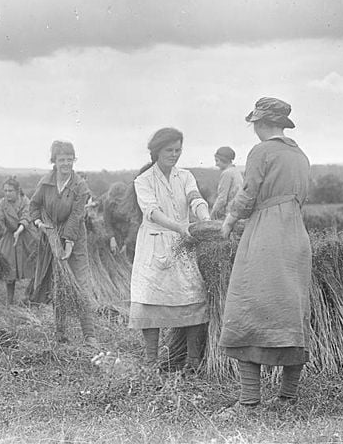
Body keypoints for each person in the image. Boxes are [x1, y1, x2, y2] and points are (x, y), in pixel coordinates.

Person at [219, 97, 312, 411]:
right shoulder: (299, 154)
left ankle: (248, 403)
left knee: (249, 306)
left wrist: (229, 221)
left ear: (260, 124)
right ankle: (288, 398)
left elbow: (249, 193)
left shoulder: (261, 151)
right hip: (296, 235)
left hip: (266, 233)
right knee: (290, 311)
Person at [129, 127, 211, 368]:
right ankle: (151, 362)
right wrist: (178, 226)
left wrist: (204, 218)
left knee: (193, 298)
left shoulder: (184, 176)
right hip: (154, 244)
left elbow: (195, 198)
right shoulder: (143, 181)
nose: (174, 155)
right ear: (156, 151)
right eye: (169, 150)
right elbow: (152, 212)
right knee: (150, 300)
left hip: (183, 244)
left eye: (178, 150)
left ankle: (193, 361)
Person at [27, 140, 97, 345]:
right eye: (61, 160)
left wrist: (68, 243)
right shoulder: (46, 182)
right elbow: (34, 206)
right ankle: (60, 333)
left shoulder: (80, 186)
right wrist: (39, 223)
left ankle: (89, 335)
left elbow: (76, 216)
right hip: (51, 238)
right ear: (54, 161)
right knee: (58, 283)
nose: (66, 164)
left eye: (69, 159)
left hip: (75, 239)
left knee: (81, 285)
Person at [0, 177, 38, 305]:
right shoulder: (2, 203)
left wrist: (19, 230)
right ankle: (9, 302)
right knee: (9, 268)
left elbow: (26, 218)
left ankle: (30, 297)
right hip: (10, 236)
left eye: (10, 190)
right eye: (5, 190)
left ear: (17, 191)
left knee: (33, 266)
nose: (7, 193)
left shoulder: (26, 201)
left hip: (27, 235)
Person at [102, 182, 140, 262]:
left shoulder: (132, 203)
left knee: (131, 257)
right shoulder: (107, 203)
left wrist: (127, 243)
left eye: (119, 200)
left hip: (130, 233)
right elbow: (107, 222)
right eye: (115, 200)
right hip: (116, 231)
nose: (117, 203)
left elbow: (134, 225)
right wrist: (111, 238)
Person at [210, 146, 243, 220]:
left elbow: (222, 199)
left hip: (229, 214)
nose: (216, 164)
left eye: (217, 161)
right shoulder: (236, 171)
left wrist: (212, 214)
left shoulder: (227, 173)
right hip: (237, 212)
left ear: (224, 160)